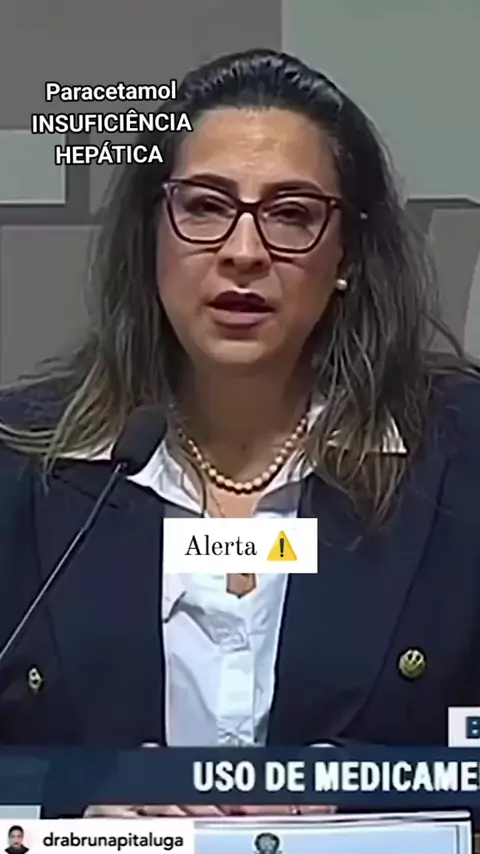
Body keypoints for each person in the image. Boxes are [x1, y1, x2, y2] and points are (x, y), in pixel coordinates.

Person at [0, 47, 479, 820]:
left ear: (348, 254)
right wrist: (69, 810)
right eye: (205, 206)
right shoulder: (21, 464)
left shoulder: (462, 458)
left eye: (292, 214)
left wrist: (366, 796)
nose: (244, 252)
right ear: (152, 233)